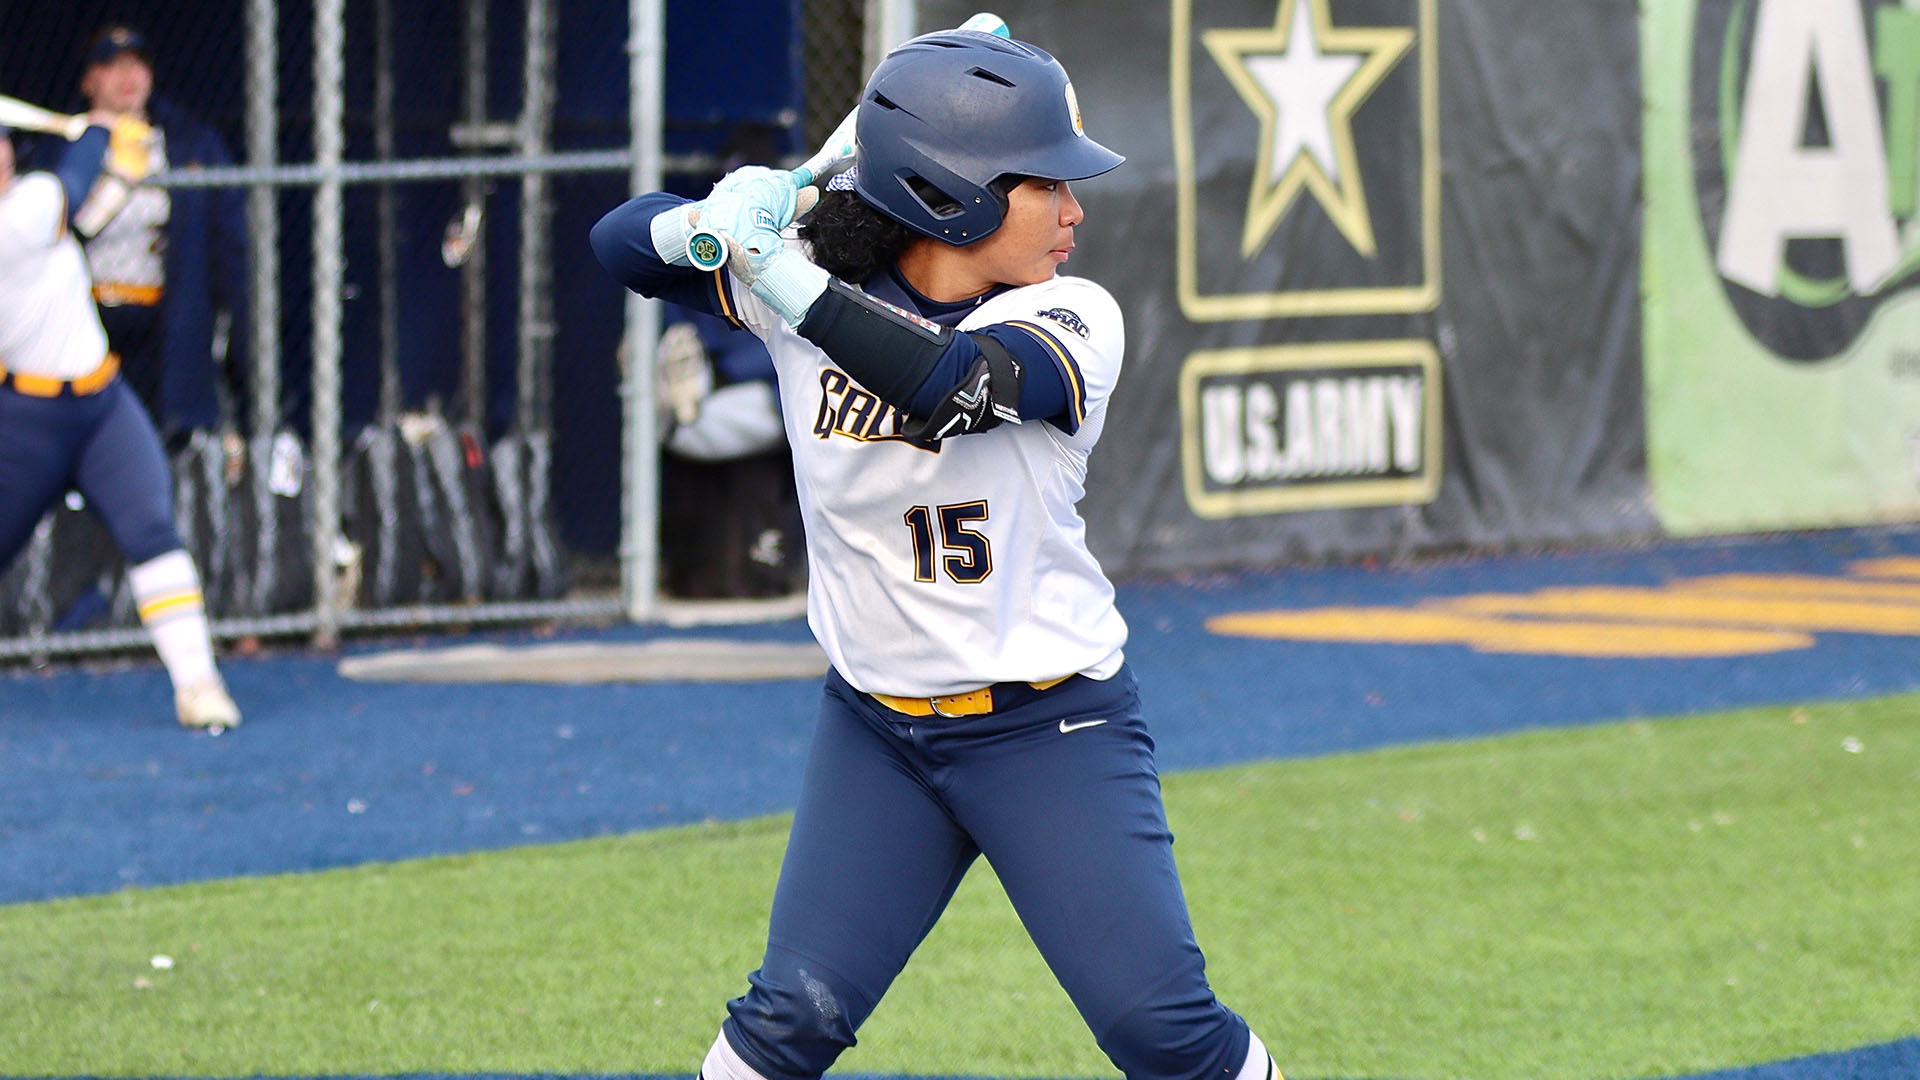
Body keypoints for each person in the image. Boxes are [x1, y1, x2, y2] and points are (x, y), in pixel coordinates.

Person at [593, 29, 1279, 1080]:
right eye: (1046, 184)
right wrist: (734, 211)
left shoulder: (1071, 314)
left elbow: (953, 383)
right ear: (952, 190)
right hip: (876, 731)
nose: (1074, 210)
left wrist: (785, 277)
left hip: (1049, 727)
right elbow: (615, 242)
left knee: (1163, 1033)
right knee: (788, 1022)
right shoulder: (807, 276)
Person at [0, 118, 242, 731]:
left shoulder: (31, 200)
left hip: (103, 404)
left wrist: (115, 159)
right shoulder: (21, 214)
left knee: (151, 530)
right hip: (25, 423)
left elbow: (88, 211)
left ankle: (199, 684)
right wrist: (97, 132)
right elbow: (75, 176)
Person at [71, 24, 248, 443]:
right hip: (89, 316)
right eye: (112, 66)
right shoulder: (68, 145)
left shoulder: (188, 144)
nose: (128, 77)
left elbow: (228, 240)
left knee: (156, 438)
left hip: (158, 319)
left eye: (137, 65)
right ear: (89, 81)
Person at [653, 305, 804, 599]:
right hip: (717, 407)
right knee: (688, 428)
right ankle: (673, 401)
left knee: (689, 427)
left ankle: (678, 403)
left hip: (779, 398)